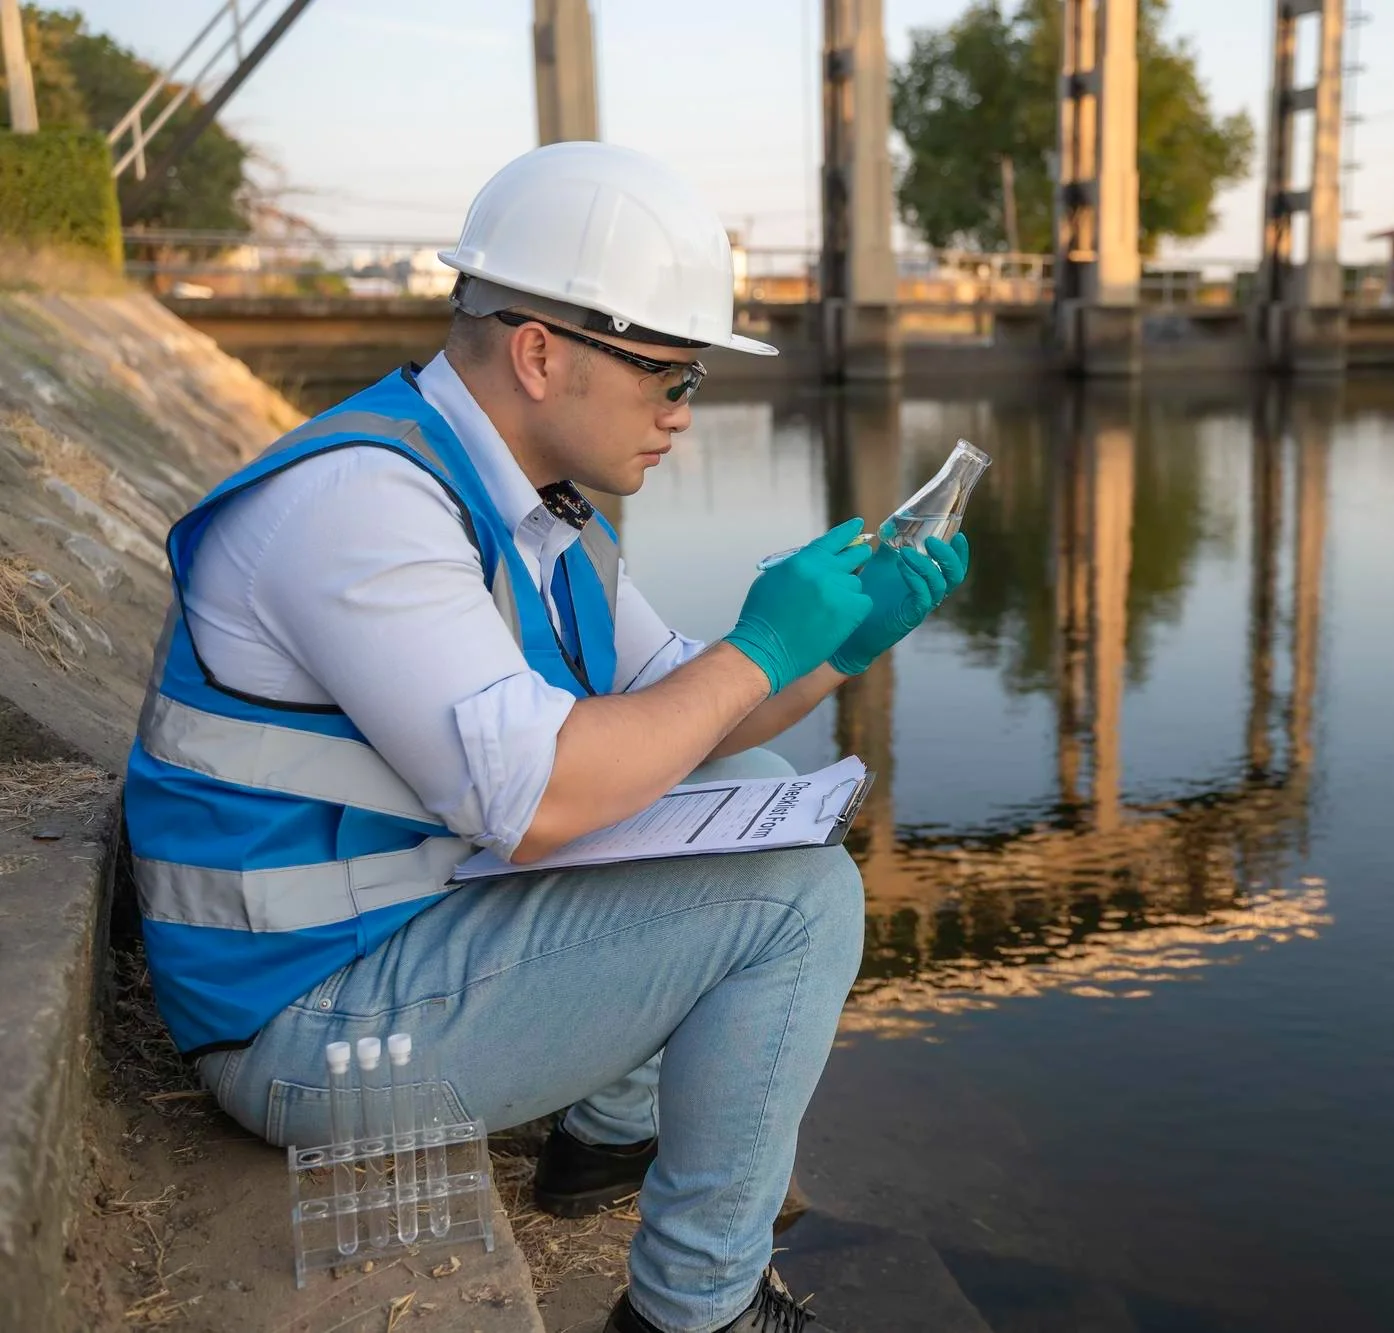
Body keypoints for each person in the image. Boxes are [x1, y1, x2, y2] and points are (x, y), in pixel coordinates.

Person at [123, 142, 970, 1333]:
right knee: (799, 897)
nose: (682, 415)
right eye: (668, 379)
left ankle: (603, 1138)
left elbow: (690, 709)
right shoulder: (365, 506)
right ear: (537, 353)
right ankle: (698, 1311)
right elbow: (540, 801)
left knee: (750, 774)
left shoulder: (530, 514)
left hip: (397, 938)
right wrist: (760, 646)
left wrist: (836, 643)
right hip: (298, 1027)